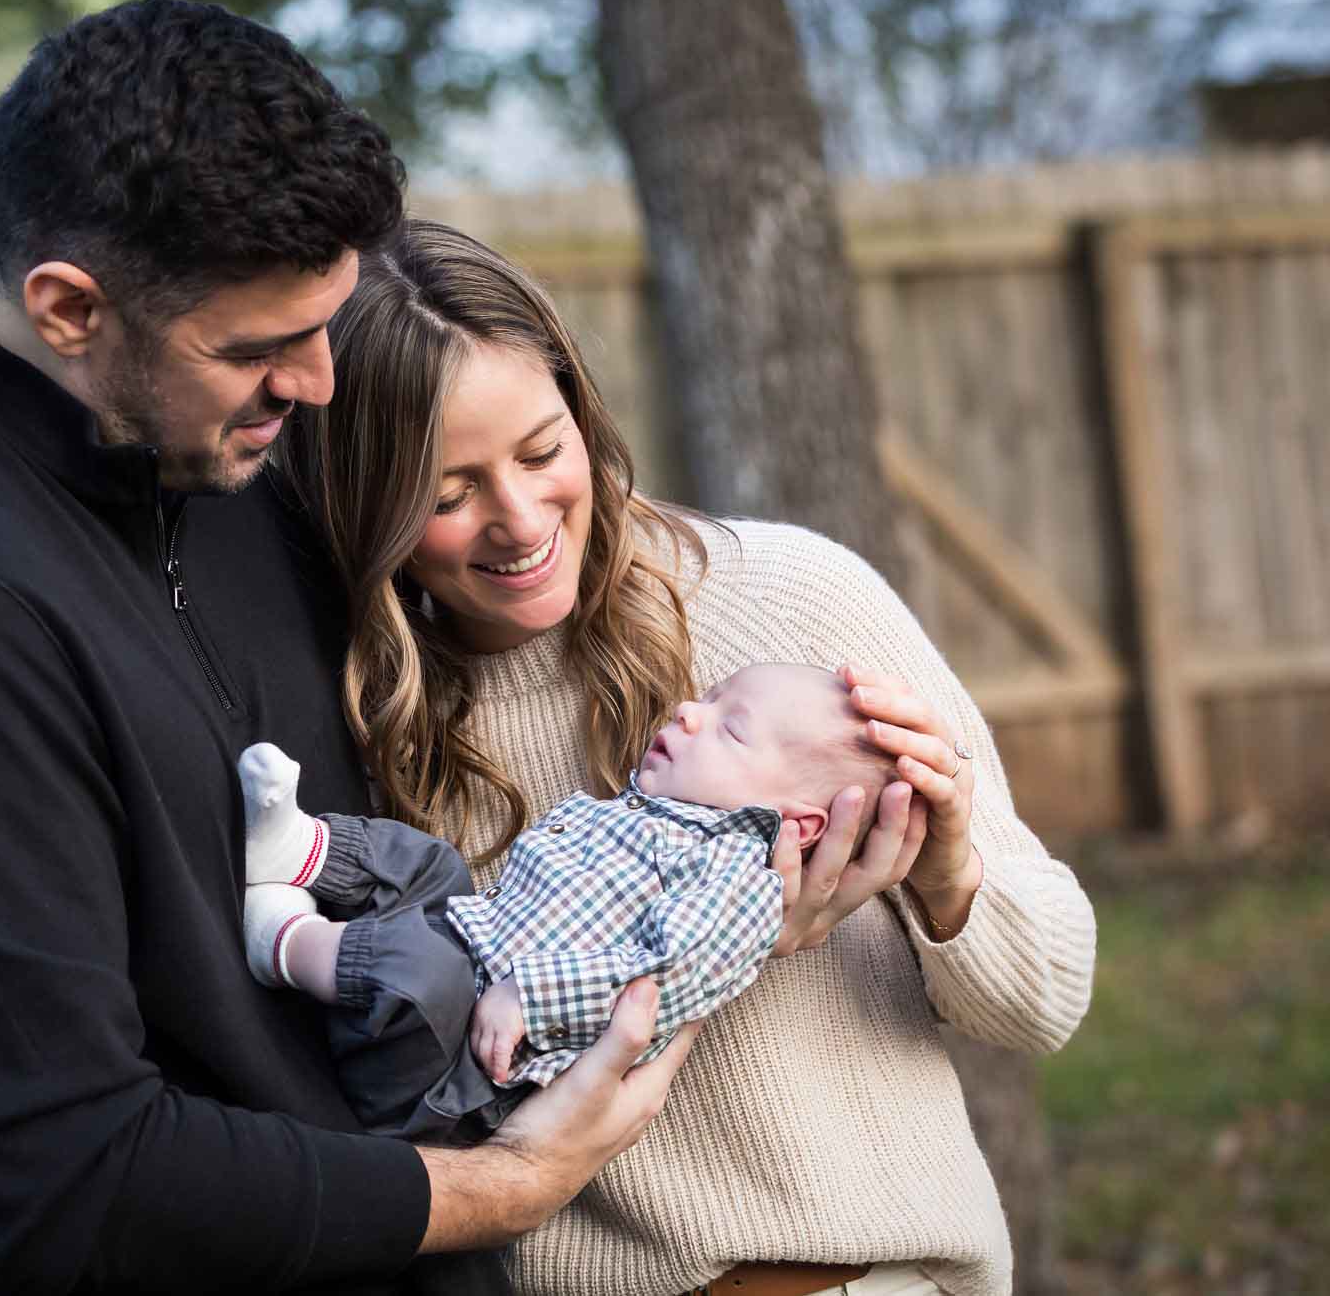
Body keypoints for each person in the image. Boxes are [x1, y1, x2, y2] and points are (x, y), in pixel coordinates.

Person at [0, 0, 698, 1296]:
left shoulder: (229, 454)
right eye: (258, 347)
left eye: (325, 325)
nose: (317, 385)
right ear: (69, 307)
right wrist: (508, 1185)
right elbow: (67, 1183)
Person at [278, 219, 1098, 1296]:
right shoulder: (361, 718)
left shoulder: (789, 599)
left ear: (581, 411)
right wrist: (717, 953)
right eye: (446, 494)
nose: (519, 520)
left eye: (539, 451)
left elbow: (1042, 1001)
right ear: (364, 502)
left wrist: (948, 880)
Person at [235, 662, 895, 1142]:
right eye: (711, 697)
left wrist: (532, 995)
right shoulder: (653, 813)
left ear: (798, 825)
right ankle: (299, 849)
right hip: (469, 945)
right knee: (433, 863)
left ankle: (285, 942)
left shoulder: (739, 889)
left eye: (733, 729)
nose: (691, 711)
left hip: (462, 1064)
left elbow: (661, 973)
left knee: (421, 973)